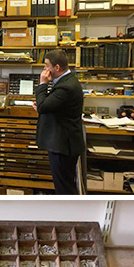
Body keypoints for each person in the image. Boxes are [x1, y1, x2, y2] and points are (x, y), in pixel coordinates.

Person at [34, 49, 84, 195]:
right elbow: (50, 105)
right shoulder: (66, 81)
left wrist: (42, 84)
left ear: (56, 68)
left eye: (46, 66)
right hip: (62, 143)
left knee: (64, 188)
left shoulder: (66, 87)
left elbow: (43, 106)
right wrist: (43, 106)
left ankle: (71, 215)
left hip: (63, 145)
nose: (44, 70)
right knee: (64, 184)